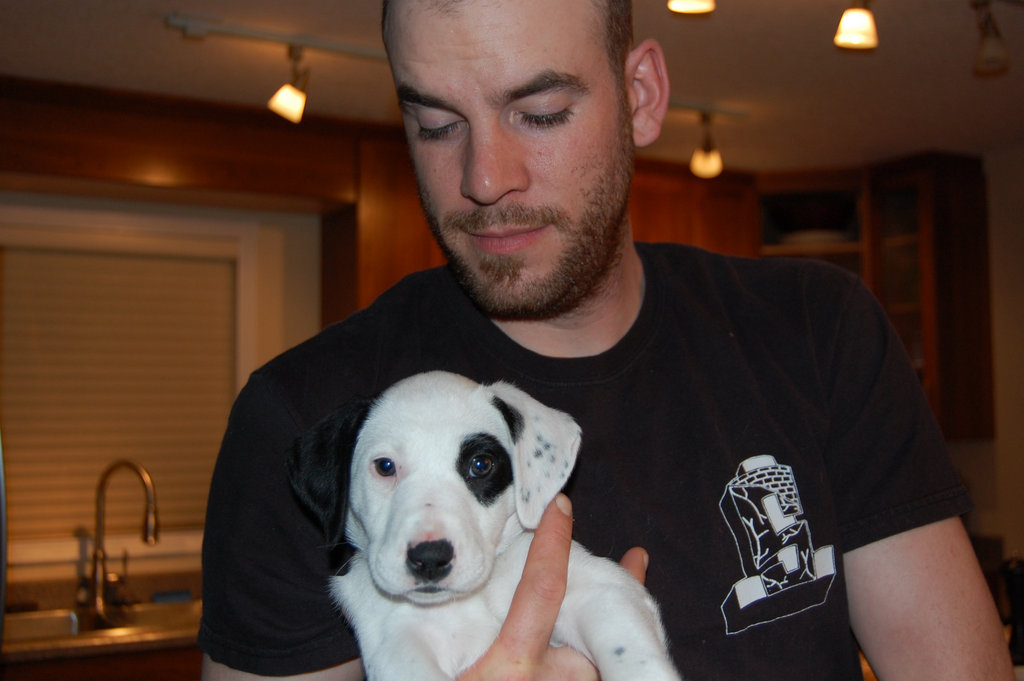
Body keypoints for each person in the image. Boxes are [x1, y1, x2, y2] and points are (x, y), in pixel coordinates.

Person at [198, 0, 1015, 679]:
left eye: (540, 113)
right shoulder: (303, 420)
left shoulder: (817, 329)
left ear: (641, 95)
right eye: (437, 124)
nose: (485, 177)